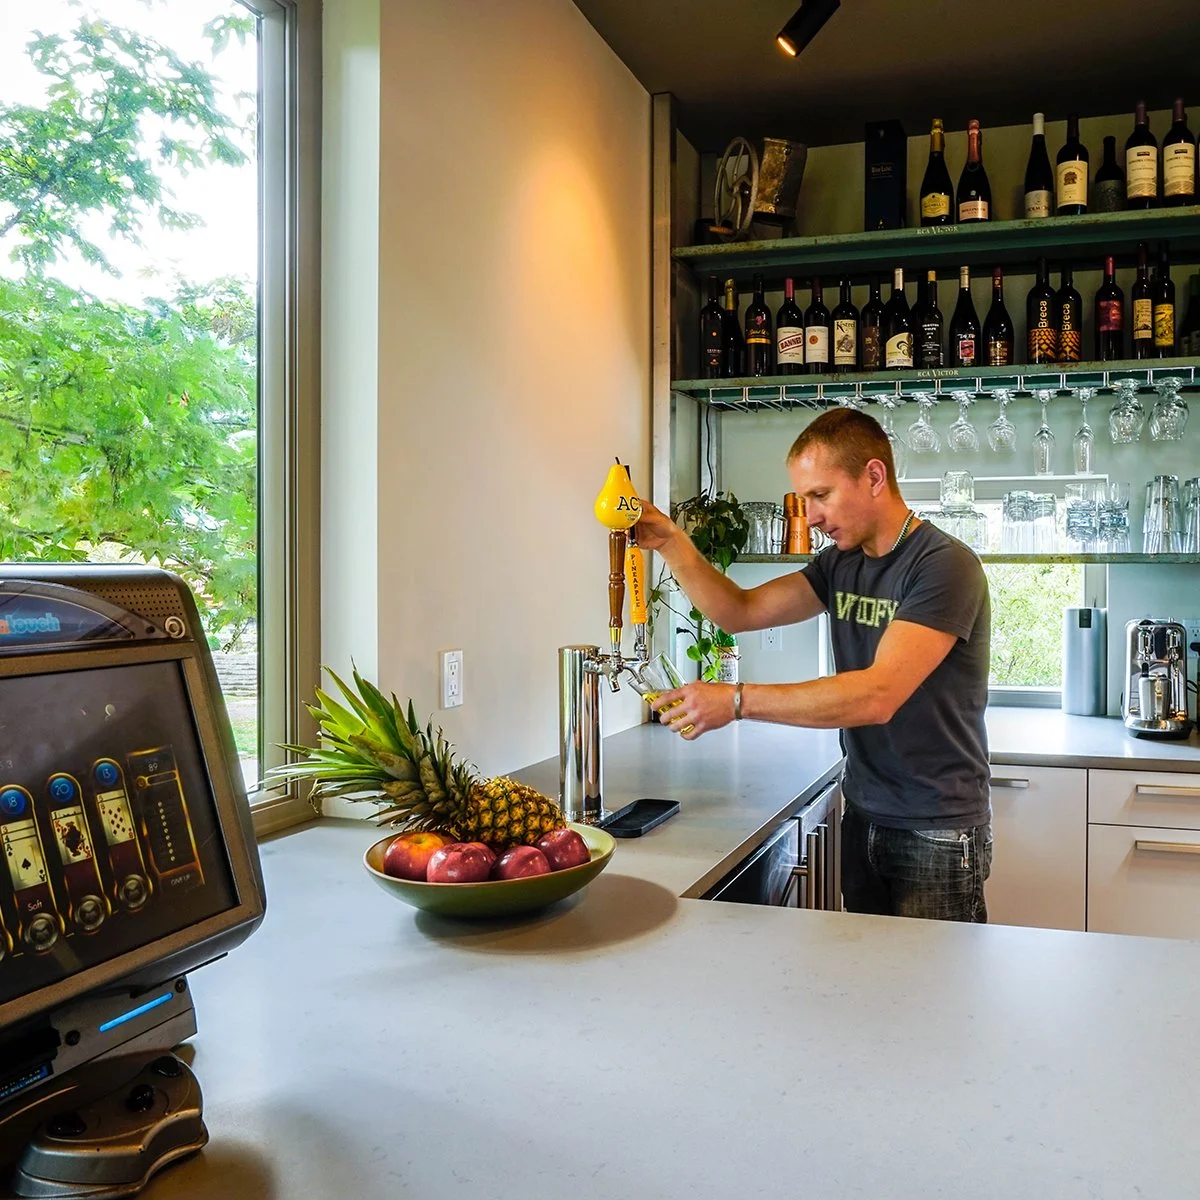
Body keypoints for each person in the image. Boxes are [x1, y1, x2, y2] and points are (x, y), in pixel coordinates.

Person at [633, 407, 992, 922]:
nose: (812, 516)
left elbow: (877, 695)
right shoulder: (841, 562)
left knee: (937, 995)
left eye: (820, 496)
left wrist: (736, 701)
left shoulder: (943, 564)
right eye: (805, 499)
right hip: (865, 809)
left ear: (873, 476)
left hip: (935, 825)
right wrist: (672, 541)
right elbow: (740, 610)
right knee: (869, 985)